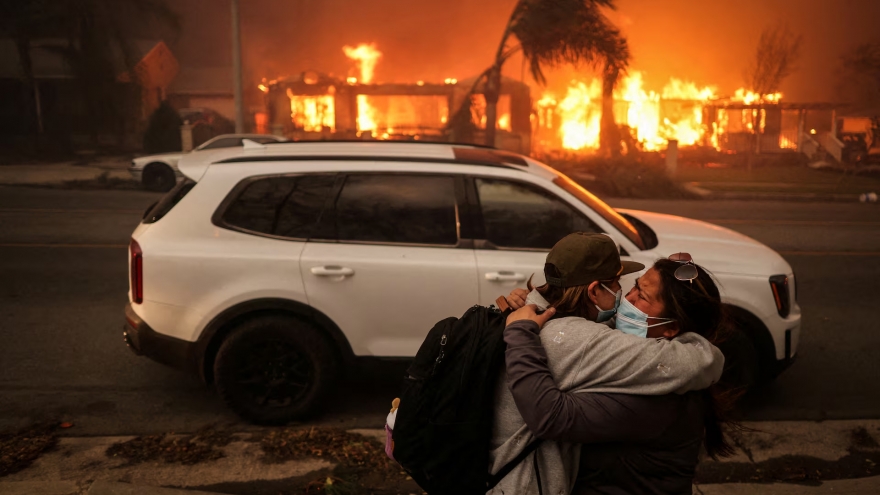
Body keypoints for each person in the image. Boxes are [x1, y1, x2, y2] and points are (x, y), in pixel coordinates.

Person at [487, 234, 725, 495]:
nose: (627, 297)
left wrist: (528, 311)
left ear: (672, 327)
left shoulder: (662, 396)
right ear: (594, 291)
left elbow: (553, 415)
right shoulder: (590, 342)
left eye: (641, 295)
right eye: (626, 285)